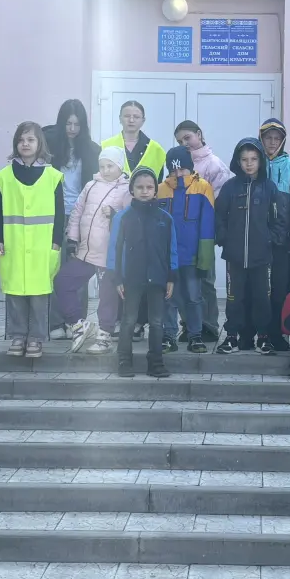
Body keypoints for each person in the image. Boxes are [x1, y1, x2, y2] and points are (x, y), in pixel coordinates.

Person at [0, 122, 64, 358]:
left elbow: (60, 213)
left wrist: (56, 242)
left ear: (39, 143)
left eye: (30, 139)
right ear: (16, 144)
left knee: (40, 294)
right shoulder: (4, 176)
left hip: (43, 246)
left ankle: (36, 338)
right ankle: (18, 336)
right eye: (21, 140)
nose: (25, 144)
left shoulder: (53, 176)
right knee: (15, 293)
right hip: (13, 245)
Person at [52, 146, 130, 355]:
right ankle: (79, 325)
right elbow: (77, 213)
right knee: (63, 281)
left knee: (107, 297)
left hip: (109, 256)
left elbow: (130, 218)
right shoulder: (90, 185)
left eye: (110, 166)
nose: (105, 170)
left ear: (120, 166)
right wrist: (72, 239)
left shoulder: (126, 189)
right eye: (102, 166)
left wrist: (114, 213)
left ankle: (104, 336)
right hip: (86, 252)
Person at [102, 100, 167, 343]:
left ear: (143, 120)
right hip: (114, 217)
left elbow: (158, 184)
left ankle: (140, 321)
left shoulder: (156, 149)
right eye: (126, 115)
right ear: (120, 118)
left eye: (136, 116)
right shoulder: (107, 145)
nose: (131, 120)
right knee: (121, 266)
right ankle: (120, 319)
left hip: (144, 216)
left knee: (143, 267)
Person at [214, 138, 286, 355]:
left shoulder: (269, 188)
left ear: (260, 161)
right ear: (238, 161)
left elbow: (279, 219)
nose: (249, 163)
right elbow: (219, 216)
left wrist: (270, 239)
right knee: (234, 298)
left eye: (253, 159)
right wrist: (224, 238)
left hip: (261, 257)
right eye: (244, 159)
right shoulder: (230, 187)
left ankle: (263, 337)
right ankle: (231, 337)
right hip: (234, 256)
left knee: (262, 298)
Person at [107, 166, 177, 378]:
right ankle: (124, 360)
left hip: (158, 278)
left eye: (149, 187)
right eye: (139, 187)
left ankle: (155, 362)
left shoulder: (165, 218)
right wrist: (117, 277)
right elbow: (115, 249)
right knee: (129, 320)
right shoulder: (122, 217)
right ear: (132, 190)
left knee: (156, 322)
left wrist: (171, 277)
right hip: (131, 278)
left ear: (155, 190)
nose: (144, 191)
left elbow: (172, 249)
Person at [45, 99, 101, 340]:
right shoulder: (48, 147)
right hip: (53, 215)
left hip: (81, 217)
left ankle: (76, 322)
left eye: (77, 124)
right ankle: (56, 323)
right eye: (68, 123)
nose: (72, 129)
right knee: (53, 269)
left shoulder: (92, 150)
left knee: (77, 271)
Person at [173, 120, 233, 342]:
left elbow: (223, 201)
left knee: (205, 279)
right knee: (182, 279)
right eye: (180, 141)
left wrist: (215, 229)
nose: (184, 143)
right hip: (183, 233)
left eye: (187, 137)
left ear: (199, 134)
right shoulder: (178, 163)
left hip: (205, 232)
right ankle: (189, 325)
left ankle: (209, 325)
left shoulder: (214, 165)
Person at [157, 146, 215, 356]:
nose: (178, 174)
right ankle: (168, 336)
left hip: (192, 256)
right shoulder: (161, 189)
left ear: (190, 167)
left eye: (182, 169)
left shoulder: (203, 187)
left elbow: (207, 224)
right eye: (173, 170)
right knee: (168, 297)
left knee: (194, 297)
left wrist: (205, 258)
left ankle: (195, 335)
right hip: (169, 258)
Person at [259, 119, 290, 351]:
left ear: (283, 141)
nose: (272, 142)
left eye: (277, 138)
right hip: (257, 238)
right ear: (261, 139)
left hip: (281, 239)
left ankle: (276, 334)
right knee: (258, 289)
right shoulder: (254, 162)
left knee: (278, 289)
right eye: (268, 138)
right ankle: (257, 333)